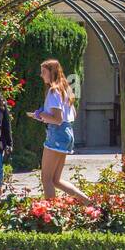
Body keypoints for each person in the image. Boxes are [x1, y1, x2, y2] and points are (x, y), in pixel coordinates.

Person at [29, 59, 91, 204]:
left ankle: (51, 214)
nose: (41, 75)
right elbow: (72, 114)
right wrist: (43, 116)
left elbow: (57, 119)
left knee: (46, 179)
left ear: (52, 72)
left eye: (43, 72)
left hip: (57, 133)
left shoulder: (53, 91)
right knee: (55, 180)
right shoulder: (65, 89)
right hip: (67, 133)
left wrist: (41, 115)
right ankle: (88, 202)